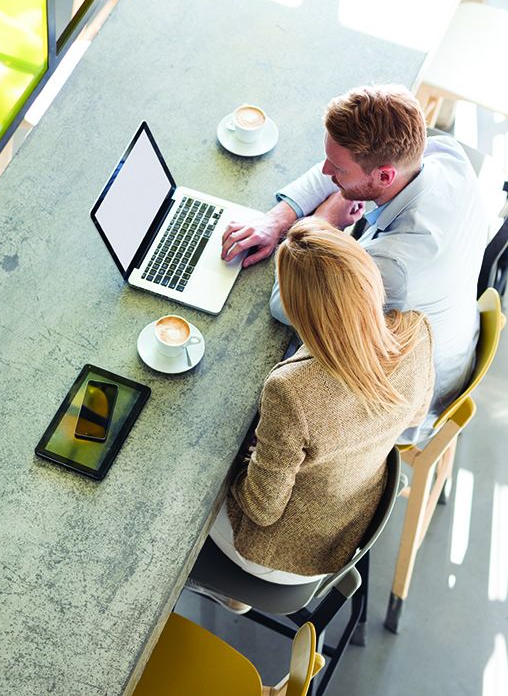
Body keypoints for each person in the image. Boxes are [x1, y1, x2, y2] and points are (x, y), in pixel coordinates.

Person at [189, 219, 434, 613]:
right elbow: (414, 416)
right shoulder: (417, 331)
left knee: (189, 479)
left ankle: (232, 594)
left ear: (298, 310)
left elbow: (261, 508)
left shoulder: (291, 389)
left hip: (281, 555)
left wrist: (241, 463)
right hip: (349, 512)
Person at [221, 85, 488, 442]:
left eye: (339, 169)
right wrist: (275, 220)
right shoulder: (445, 155)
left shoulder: (395, 267)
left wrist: (321, 223)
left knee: (263, 397)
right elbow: (333, 168)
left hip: (402, 405)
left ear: (384, 177)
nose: (326, 170)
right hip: (459, 342)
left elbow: (285, 305)